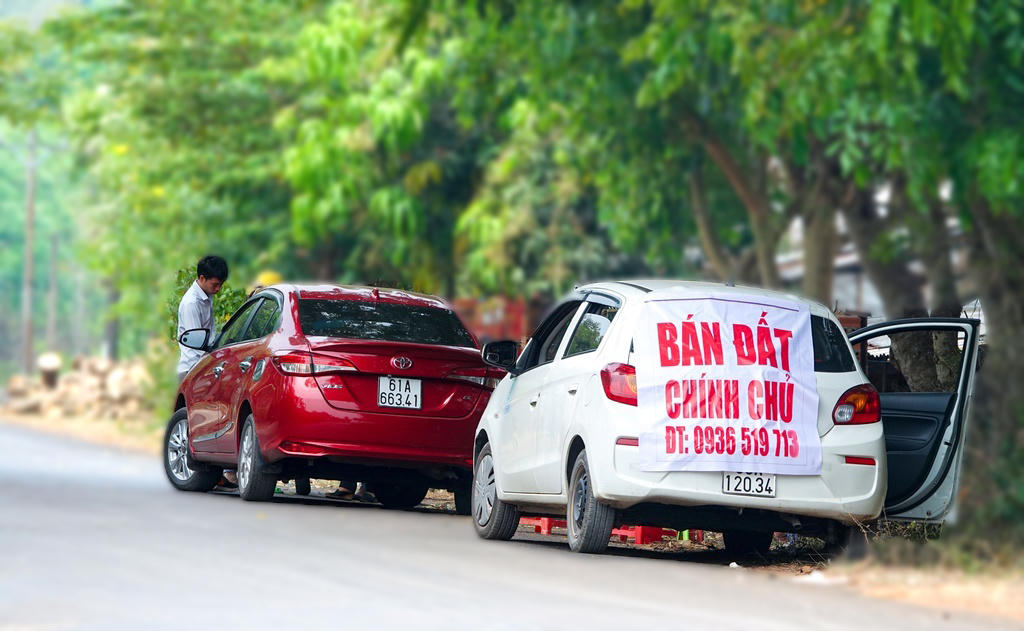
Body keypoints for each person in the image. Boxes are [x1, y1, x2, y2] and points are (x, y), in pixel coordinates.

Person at [176, 255, 228, 383]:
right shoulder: (191, 303)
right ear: (202, 278)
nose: (218, 289)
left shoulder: (206, 295)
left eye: (221, 285)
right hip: (192, 369)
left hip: (202, 366)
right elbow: (195, 343)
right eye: (215, 284)